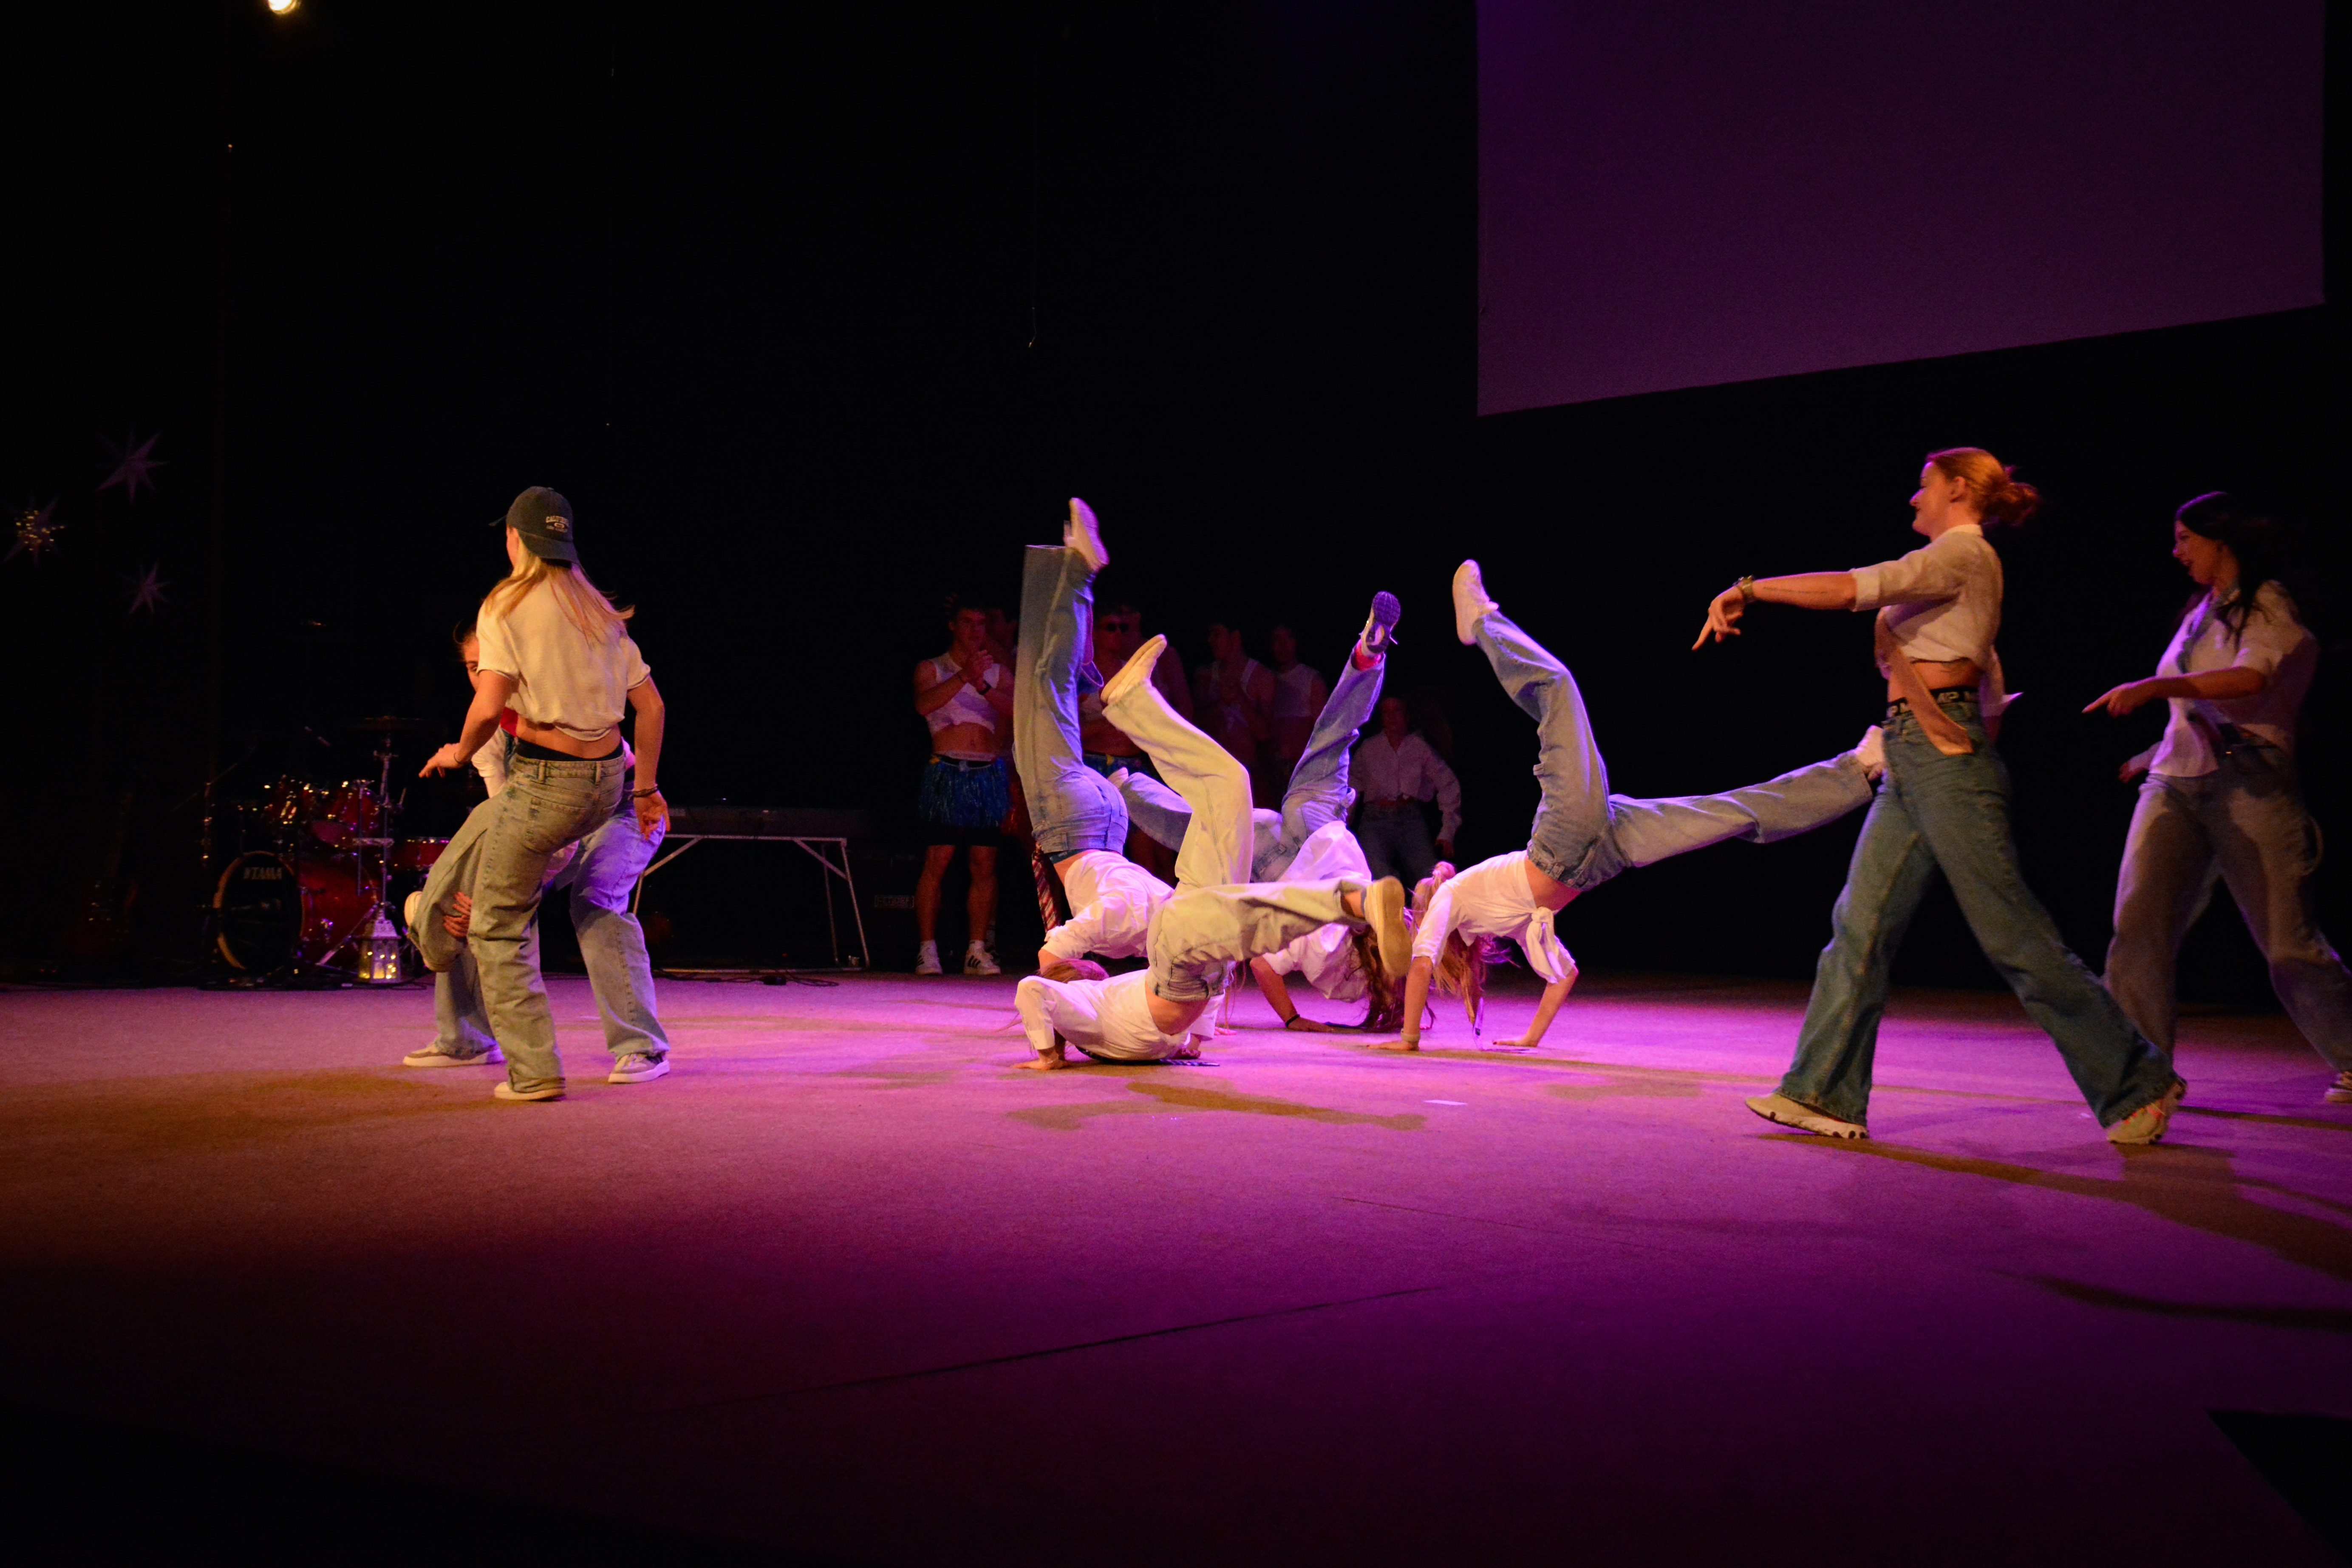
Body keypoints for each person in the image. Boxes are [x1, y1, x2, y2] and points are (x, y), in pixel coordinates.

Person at [1695, 447, 2184, 1144]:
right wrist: (1936, 737)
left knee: (2012, 935)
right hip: (1916, 754)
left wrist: (1751, 588)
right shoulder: (1957, 571)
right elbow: (1991, 688)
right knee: (1859, 929)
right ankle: (1823, 1092)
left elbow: (1858, 587)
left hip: (1942, 762)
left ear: (1957, 490)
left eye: (1922, 487)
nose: (1912, 499)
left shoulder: (1963, 552)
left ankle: (2138, 1080)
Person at [1393, 561, 1880, 1055]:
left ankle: (1482, 621)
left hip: (1574, 840)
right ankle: (1860, 771)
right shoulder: (1487, 913)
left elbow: (1436, 966)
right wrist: (1517, 1039)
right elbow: (1553, 975)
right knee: (1730, 811)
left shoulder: (1469, 905)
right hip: (1594, 851)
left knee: (1561, 691)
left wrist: (1435, 1038)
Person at [1015, 628, 1410, 1068]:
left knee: (1256, 910)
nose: (1096, 971)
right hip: (1193, 945)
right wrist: (1196, 1041)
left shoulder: (1096, 1013)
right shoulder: (1109, 1020)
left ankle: (1353, 901)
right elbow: (1041, 990)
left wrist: (1049, 1054)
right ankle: (1133, 705)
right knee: (1230, 787)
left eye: (1087, 974)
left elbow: (1034, 989)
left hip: (1175, 941)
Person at [2086, 492, 2352, 1106]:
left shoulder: (2266, 603)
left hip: (2249, 783)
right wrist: (2154, 751)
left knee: (2288, 945)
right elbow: (2195, 706)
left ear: (2220, 540)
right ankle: (2142, 1080)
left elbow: (2250, 679)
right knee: (2138, 929)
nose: (2176, 551)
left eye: (2185, 538)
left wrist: (2152, 687)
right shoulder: (2196, 612)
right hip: (2174, 782)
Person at [411, 487, 667, 1103]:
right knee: (475, 888)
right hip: (604, 784)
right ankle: (465, 1034)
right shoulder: (594, 613)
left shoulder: (508, 607)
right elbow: (651, 706)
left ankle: (625, 1049)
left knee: (574, 902)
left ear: (515, 540)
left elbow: (490, 717)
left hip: (613, 804)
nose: (482, 672)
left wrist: (455, 751)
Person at [1115, 594, 1406, 1029]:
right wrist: (1293, 1019)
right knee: (1193, 828)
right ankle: (1122, 786)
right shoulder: (1342, 977)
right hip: (1271, 862)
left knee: (1336, 734)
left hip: (1318, 827)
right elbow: (1265, 965)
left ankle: (1368, 658)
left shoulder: (1393, 921)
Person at [1010, 498, 1175, 986]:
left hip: (1111, 816)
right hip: (1074, 818)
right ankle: (1080, 569)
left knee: (1062, 683)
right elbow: (1049, 960)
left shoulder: (1162, 916)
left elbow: (1207, 948)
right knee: (1046, 682)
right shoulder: (1110, 927)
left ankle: (1066, 569)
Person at [912, 595, 1016, 975]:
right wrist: (963, 677)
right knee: (938, 860)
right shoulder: (933, 668)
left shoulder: (999, 673)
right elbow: (923, 705)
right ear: (953, 626)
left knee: (984, 864)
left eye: (981, 623)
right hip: (947, 771)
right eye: (968, 623)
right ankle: (927, 949)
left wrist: (982, 685)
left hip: (986, 774)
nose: (976, 630)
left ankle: (976, 948)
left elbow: (1015, 710)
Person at [1080, 598, 1192, 879]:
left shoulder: (1134, 673)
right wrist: (1108, 720)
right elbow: (1071, 732)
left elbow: (1155, 721)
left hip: (1135, 767)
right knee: (1107, 854)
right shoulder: (1084, 678)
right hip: (1097, 767)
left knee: (1156, 850)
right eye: (1111, 628)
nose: (1118, 634)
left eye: (1123, 628)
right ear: (1094, 633)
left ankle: (1168, 907)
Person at [1351, 694, 1461, 887]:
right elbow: (1352, 786)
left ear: (1407, 715)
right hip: (1375, 820)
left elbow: (1448, 783)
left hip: (1409, 818)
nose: (1391, 717)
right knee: (1377, 875)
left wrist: (1448, 831)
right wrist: (1343, 823)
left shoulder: (1419, 747)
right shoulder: (1369, 748)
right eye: (1386, 712)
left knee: (1429, 876)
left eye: (1397, 711)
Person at [1193, 620, 1278, 807]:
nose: (1210, 641)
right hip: (1212, 774)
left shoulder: (1262, 677)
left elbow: (1265, 735)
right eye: (1210, 635)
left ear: (1236, 637)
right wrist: (1222, 703)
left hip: (1249, 776)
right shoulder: (1205, 675)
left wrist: (1240, 697)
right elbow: (1195, 726)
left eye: (1217, 635)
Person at [1265, 623, 1328, 787]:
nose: (1283, 646)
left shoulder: (1312, 680)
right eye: (1277, 640)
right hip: (1271, 769)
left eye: (1288, 638)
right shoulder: (1264, 680)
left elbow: (1321, 730)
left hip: (1303, 770)